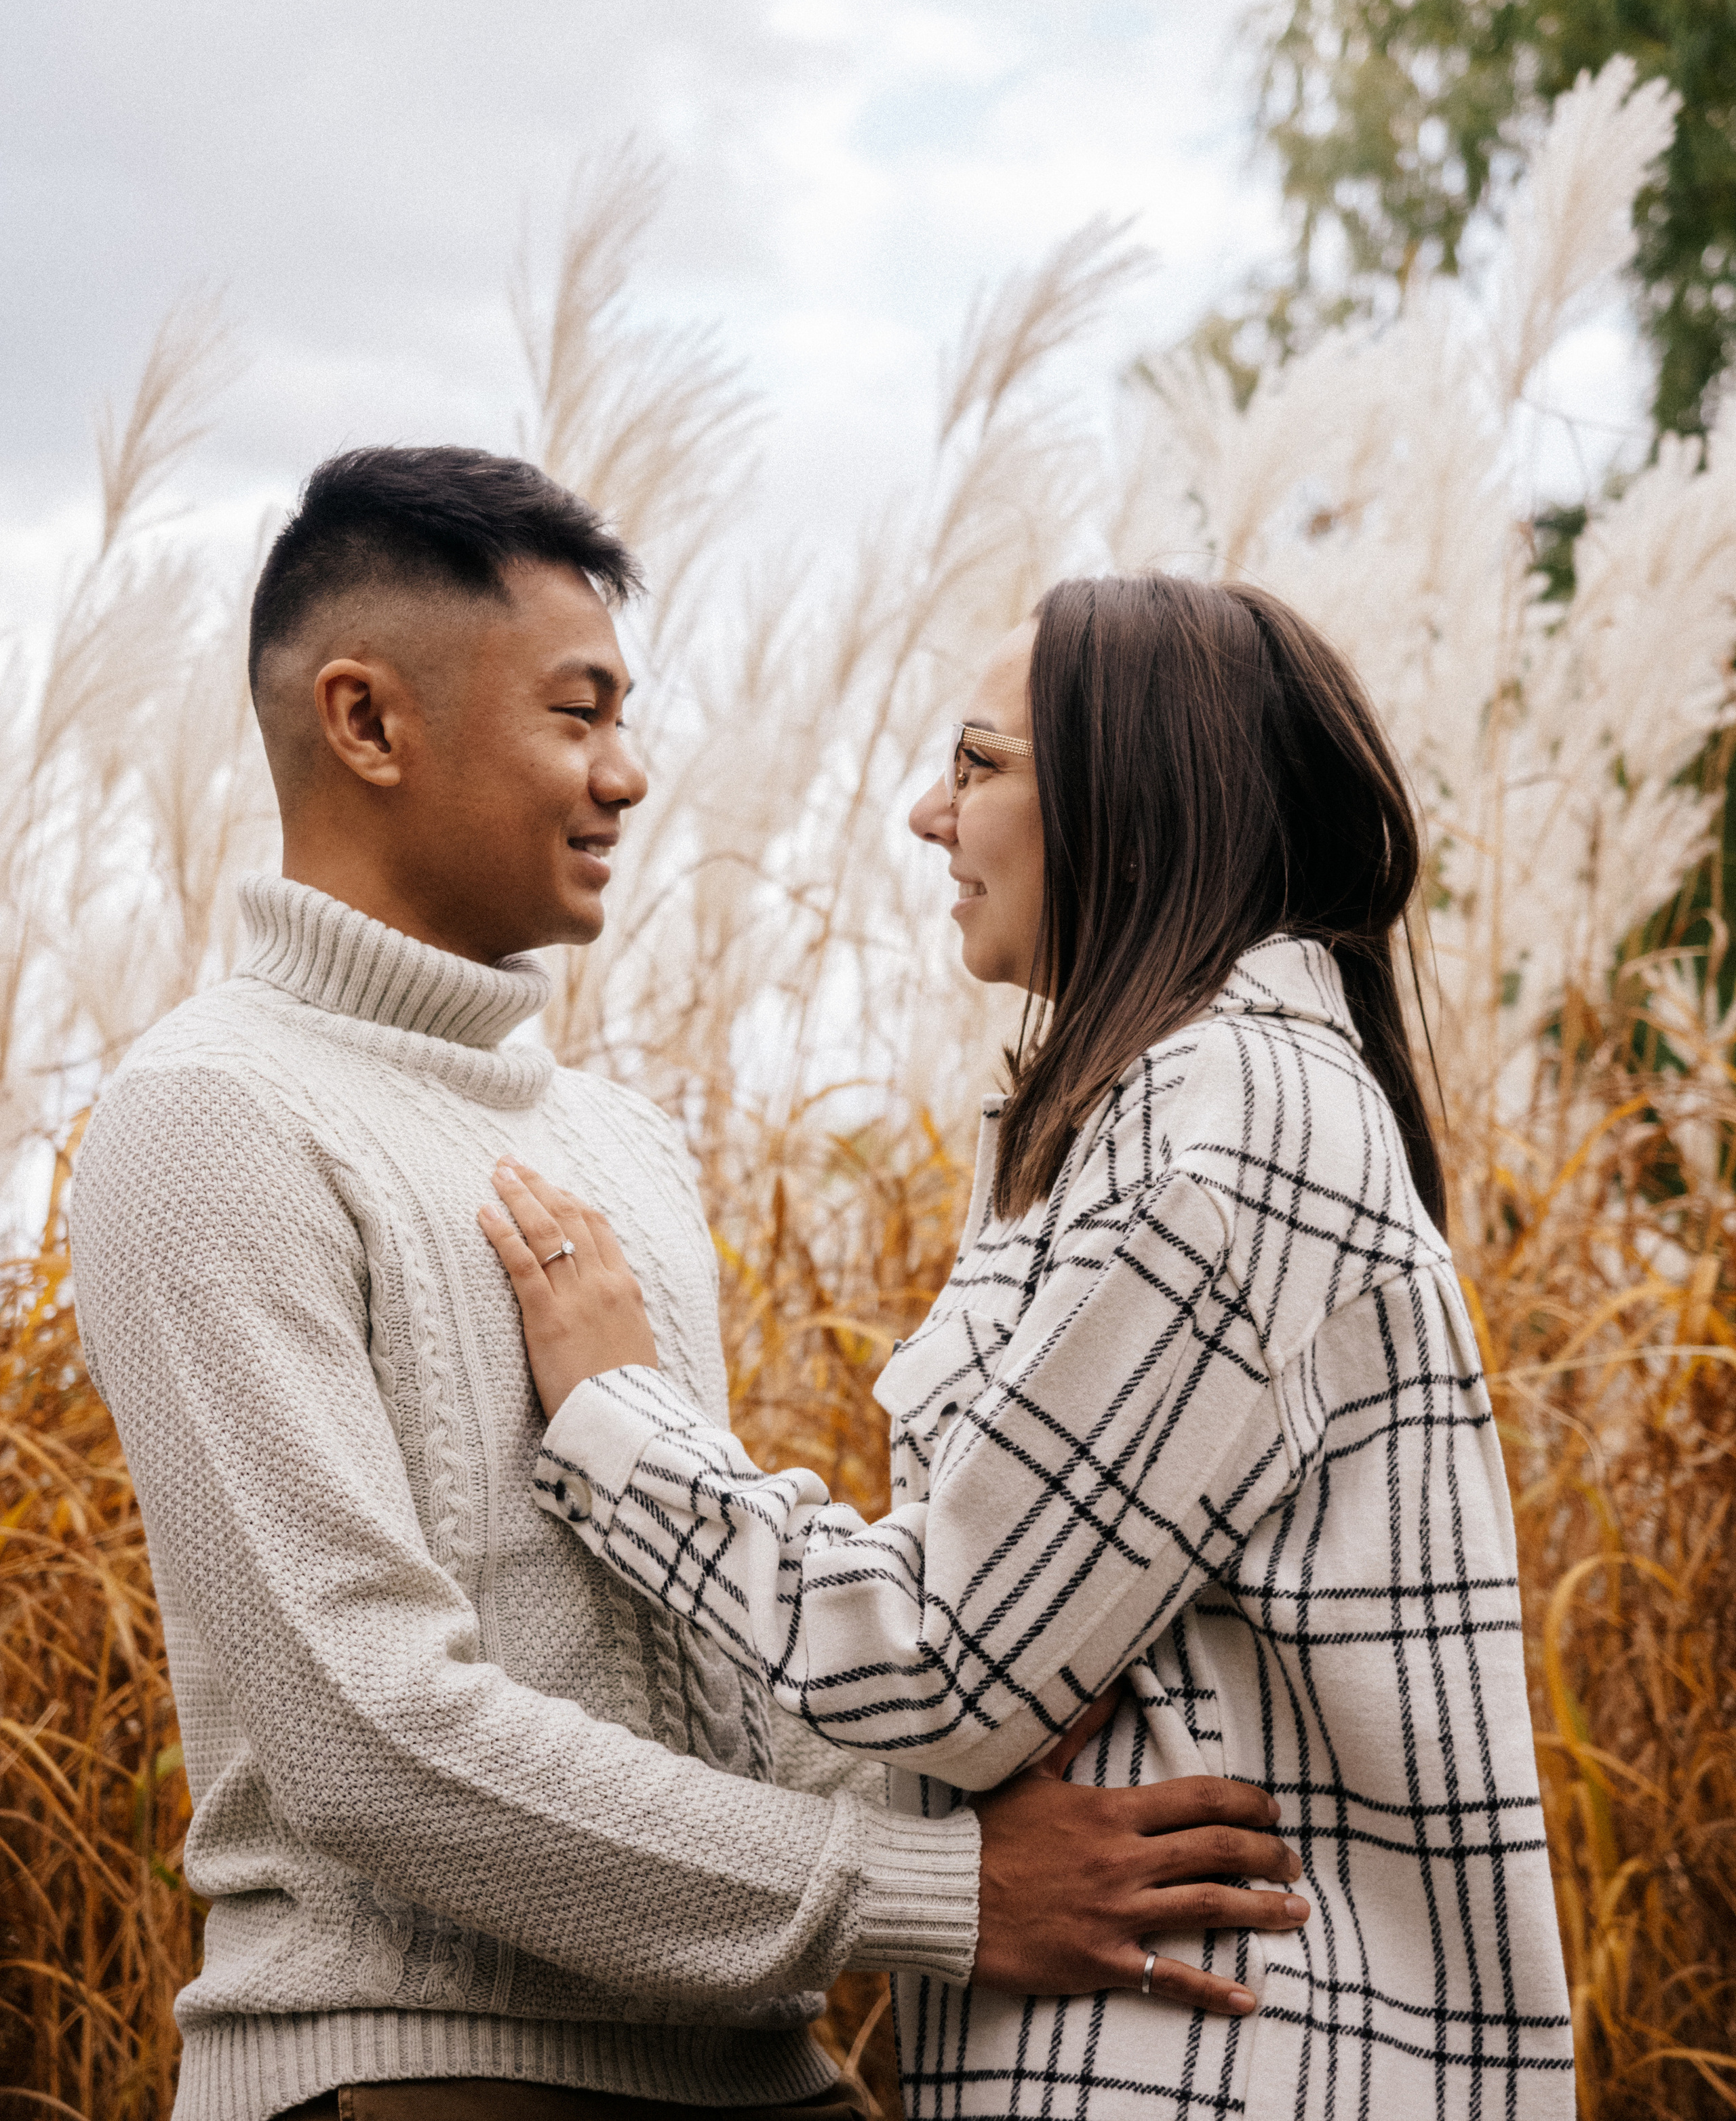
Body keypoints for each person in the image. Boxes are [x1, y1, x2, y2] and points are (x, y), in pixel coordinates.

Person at [69, 453, 1305, 2121]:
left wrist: (983, 1782)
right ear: (366, 725)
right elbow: (362, 1733)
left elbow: (723, 1679)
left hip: (756, 2070)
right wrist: (938, 1895)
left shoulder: (622, 1144)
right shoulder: (214, 1112)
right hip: (430, 2075)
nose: (628, 775)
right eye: (577, 715)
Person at [486, 574, 1577, 2121]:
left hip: (1205, 2062)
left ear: (1137, 808)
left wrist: (621, 1415)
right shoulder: (1152, 1116)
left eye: (980, 765)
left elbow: (941, 1660)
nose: (927, 816)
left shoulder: (1235, 1122)